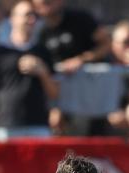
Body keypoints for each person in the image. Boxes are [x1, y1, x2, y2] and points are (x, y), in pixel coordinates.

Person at [0, 0, 58, 140]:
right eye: (27, 15)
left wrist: (42, 71)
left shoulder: (43, 52)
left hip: (38, 126)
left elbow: (55, 93)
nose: (31, 20)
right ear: (13, 18)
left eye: (34, 15)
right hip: (6, 126)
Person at [32, 0, 112, 135]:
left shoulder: (80, 19)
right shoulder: (34, 28)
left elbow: (106, 45)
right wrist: (55, 106)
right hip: (51, 97)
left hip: (86, 94)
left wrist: (81, 60)